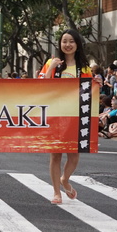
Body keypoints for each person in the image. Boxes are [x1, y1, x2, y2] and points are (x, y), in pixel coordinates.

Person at [37, 29, 92, 205]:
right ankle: (56, 192)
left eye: (71, 41)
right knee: (55, 155)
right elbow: (39, 85)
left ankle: (65, 180)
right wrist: (51, 68)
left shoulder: (83, 67)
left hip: (76, 116)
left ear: (77, 44)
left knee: (74, 155)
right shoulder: (51, 63)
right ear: (60, 44)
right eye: (64, 41)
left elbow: (90, 91)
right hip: (55, 115)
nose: (67, 45)